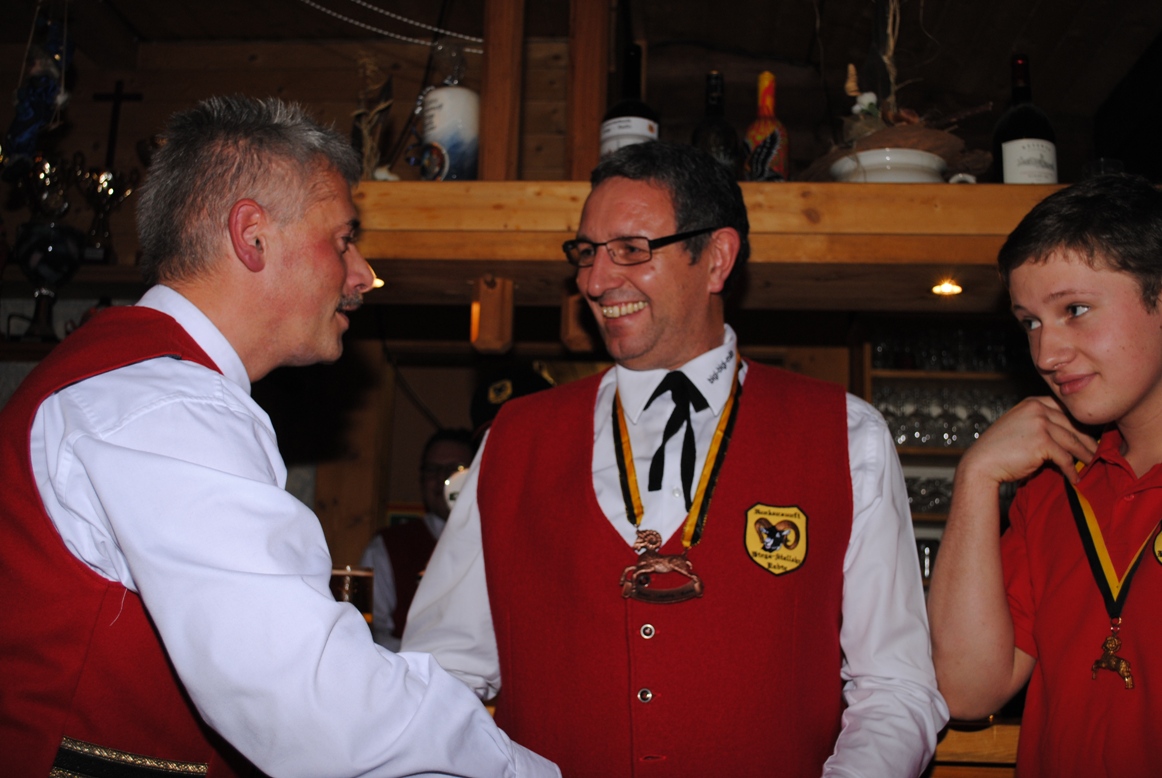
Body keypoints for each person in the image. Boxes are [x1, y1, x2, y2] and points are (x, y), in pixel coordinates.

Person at [0, 96, 558, 778]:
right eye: (343, 239)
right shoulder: (164, 405)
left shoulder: (134, 383)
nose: (362, 274)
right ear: (253, 236)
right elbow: (315, 704)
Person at [403, 141, 948, 776]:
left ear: (716, 259)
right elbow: (443, 674)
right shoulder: (515, 438)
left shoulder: (848, 436)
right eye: (587, 252)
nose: (595, 281)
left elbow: (896, 687)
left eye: (631, 249)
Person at [928, 174, 1162, 776]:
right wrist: (976, 477)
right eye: (1030, 322)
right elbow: (966, 691)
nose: (1046, 355)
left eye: (1074, 310)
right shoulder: (1053, 485)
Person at [361, 428, 474, 650]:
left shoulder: (496, 546)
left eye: (455, 469)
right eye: (433, 469)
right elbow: (371, 633)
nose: (442, 478)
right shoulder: (387, 547)